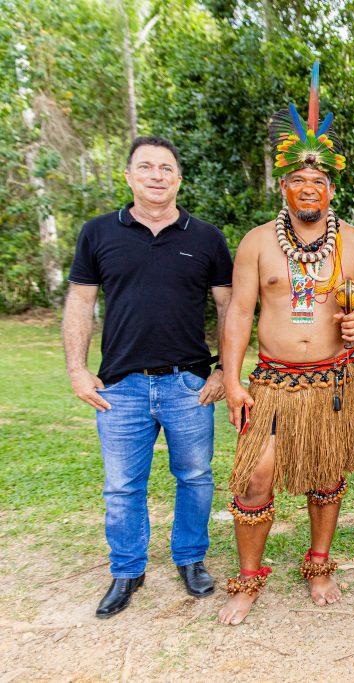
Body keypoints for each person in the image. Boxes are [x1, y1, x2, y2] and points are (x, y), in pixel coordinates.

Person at [217, 63, 354, 626]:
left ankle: (319, 564)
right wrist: (232, 380)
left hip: (332, 379)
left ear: (331, 189)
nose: (309, 188)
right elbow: (239, 314)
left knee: (325, 476)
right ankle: (247, 579)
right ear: (284, 186)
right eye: (298, 180)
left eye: (319, 181)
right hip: (273, 382)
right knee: (254, 477)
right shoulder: (257, 243)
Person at [63, 135, 233, 618]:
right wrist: (77, 370)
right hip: (121, 386)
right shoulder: (98, 233)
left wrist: (224, 369)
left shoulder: (206, 238)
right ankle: (127, 569)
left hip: (188, 384)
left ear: (179, 178)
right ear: (128, 176)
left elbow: (229, 307)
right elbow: (80, 302)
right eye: (146, 167)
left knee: (196, 477)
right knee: (121, 486)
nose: (156, 175)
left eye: (165, 168)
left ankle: (190, 559)